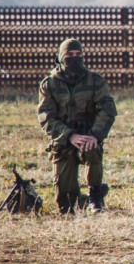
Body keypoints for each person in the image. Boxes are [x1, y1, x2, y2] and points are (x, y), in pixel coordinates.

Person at [37, 39, 117, 214]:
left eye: (78, 55)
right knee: (66, 207)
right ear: (60, 57)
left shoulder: (94, 80)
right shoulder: (50, 84)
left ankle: (95, 196)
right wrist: (69, 136)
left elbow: (107, 110)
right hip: (63, 143)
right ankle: (81, 200)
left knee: (92, 149)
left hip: (88, 137)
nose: (74, 58)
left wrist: (95, 135)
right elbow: (45, 117)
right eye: (69, 55)